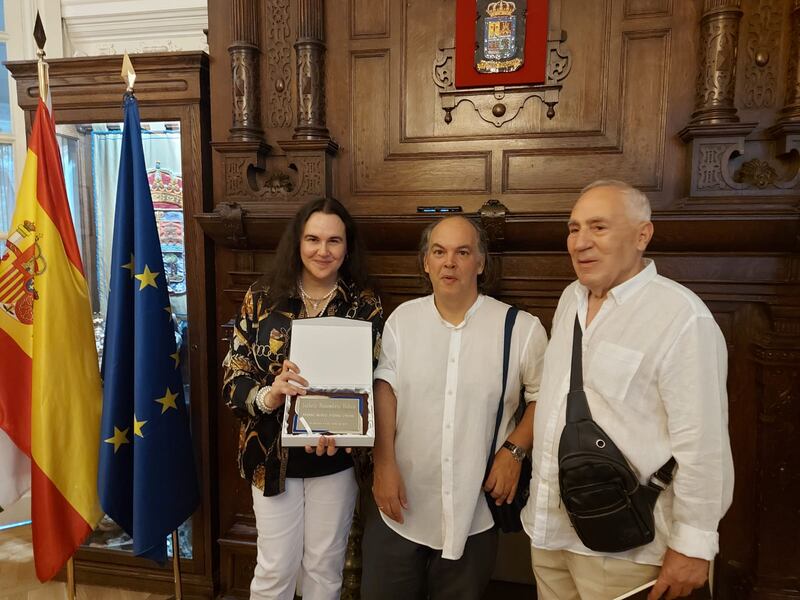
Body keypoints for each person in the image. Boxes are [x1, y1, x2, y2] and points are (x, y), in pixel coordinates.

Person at [521, 180, 734, 600]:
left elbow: (703, 444)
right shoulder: (570, 300)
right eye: (574, 228)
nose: (580, 242)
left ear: (642, 235)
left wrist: (692, 545)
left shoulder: (681, 317)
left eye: (598, 227)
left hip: (629, 547)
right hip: (550, 532)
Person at [361, 216, 548, 600]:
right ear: (425, 262)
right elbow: (385, 390)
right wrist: (383, 465)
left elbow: (544, 396)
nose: (450, 262)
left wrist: (514, 451)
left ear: (480, 262)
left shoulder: (521, 328)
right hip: (400, 506)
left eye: (462, 252)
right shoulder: (402, 321)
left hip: (475, 513)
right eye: (439, 252)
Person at [222, 197, 383, 600]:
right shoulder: (261, 297)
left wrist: (347, 432)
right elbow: (233, 379)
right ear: (298, 242)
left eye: (334, 241)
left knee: (324, 571)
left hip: (336, 458)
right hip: (271, 457)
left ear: (347, 247)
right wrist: (270, 396)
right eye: (313, 239)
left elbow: (376, 381)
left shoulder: (364, 303)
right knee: (275, 569)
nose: (322, 250)